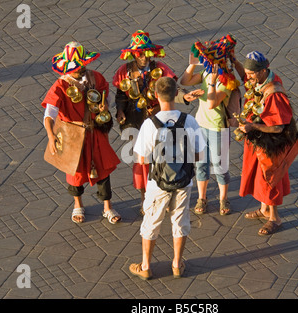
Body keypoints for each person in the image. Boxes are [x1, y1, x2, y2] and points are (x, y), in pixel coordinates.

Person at [112, 30, 203, 214]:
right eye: (140, 53)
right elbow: (121, 95)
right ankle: (144, 199)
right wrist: (120, 110)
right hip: (136, 122)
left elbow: (172, 90)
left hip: (161, 123)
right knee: (142, 162)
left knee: (165, 160)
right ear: (133, 54)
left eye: (147, 52)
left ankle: (168, 196)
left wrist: (185, 96)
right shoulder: (125, 71)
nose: (145, 57)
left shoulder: (160, 69)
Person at [129, 77, 205, 280]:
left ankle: (145, 266)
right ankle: (177, 264)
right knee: (180, 221)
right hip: (184, 180)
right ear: (176, 94)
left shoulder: (149, 124)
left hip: (158, 183)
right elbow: (200, 154)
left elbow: (142, 159)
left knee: (151, 222)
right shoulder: (189, 120)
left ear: (156, 96)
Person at [42, 41, 122, 224]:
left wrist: (104, 106)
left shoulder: (96, 78)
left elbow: (107, 97)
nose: (81, 69)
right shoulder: (60, 86)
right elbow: (50, 113)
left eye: (82, 65)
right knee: (74, 171)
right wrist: (50, 135)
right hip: (73, 135)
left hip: (95, 132)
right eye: (77, 66)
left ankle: (107, 207)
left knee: (103, 169)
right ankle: (77, 204)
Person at [237, 51, 298, 236]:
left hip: (272, 143)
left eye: (251, 74)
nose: (247, 78)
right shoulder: (260, 81)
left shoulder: (273, 93)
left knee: (269, 179)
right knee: (259, 176)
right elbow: (244, 78)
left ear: (263, 70)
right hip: (259, 139)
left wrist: (252, 127)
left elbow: (278, 127)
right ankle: (264, 210)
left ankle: (275, 218)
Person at [179, 34, 241, 216]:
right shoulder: (206, 73)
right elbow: (184, 81)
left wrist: (212, 83)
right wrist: (193, 63)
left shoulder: (227, 81)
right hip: (200, 125)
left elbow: (213, 104)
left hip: (217, 128)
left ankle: (223, 199)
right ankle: (202, 198)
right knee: (201, 165)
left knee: (220, 166)